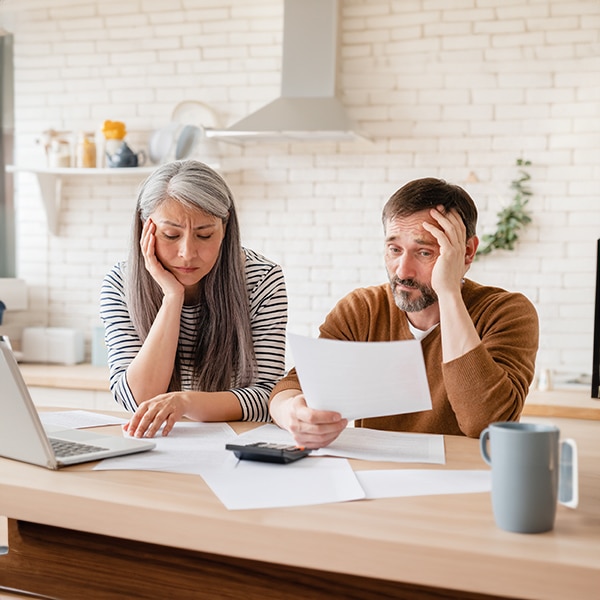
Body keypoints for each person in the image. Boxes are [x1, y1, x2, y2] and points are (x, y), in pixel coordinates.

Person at [269, 177, 539, 448]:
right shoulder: (362, 310)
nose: (402, 271)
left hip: (463, 480)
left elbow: (484, 424)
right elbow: (291, 386)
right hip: (376, 478)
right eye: (394, 249)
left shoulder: (506, 312)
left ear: (466, 253)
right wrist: (293, 413)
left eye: (423, 252)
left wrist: (448, 293)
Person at [100, 160, 287, 437]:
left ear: (225, 229)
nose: (187, 253)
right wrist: (172, 297)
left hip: (239, 445)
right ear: (144, 229)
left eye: (204, 234)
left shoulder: (261, 280)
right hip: (160, 446)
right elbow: (136, 397)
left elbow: (265, 399)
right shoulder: (121, 282)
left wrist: (185, 401)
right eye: (171, 235)